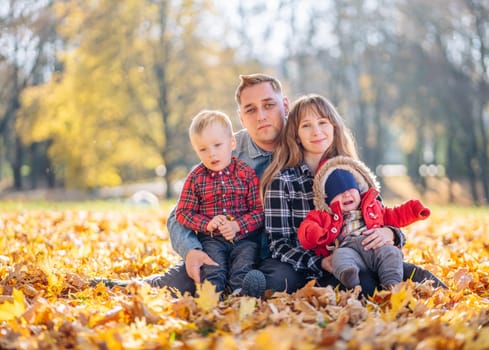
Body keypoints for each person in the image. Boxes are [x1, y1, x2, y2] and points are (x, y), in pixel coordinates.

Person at [91, 74, 445, 297]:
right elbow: (181, 213)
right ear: (240, 117)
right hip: (239, 250)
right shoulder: (227, 154)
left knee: (371, 269)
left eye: (269, 106)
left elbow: (375, 212)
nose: (261, 116)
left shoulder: (329, 155)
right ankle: (117, 288)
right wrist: (190, 250)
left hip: (303, 255)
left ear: (284, 107)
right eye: (250, 109)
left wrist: (394, 236)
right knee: (188, 282)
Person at [259, 93, 446, 296]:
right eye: (306, 126)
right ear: (296, 135)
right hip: (314, 264)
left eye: (323, 122)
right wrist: (320, 262)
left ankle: (445, 299)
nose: (317, 131)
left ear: (334, 127)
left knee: (411, 274)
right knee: (359, 283)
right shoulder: (283, 181)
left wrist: (391, 233)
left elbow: (379, 213)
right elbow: (278, 243)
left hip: (366, 254)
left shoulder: (352, 172)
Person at [298, 155, 431, 290]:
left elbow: (395, 215)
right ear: (327, 200)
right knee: (339, 257)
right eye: (338, 192)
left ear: (359, 190)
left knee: (392, 253)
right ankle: (350, 277)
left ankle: (392, 283)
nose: (347, 195)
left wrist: (414, 209)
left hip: (376, 248)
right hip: (349, 250)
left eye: (351, 189)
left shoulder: (372, 208)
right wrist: (314, 232)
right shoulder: (324, 215)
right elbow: (307, 228)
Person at [175, 110, 264, 294]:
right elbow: (183, 212)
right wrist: (206, 223)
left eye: (217, 145)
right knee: (213, 269)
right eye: (203, 149)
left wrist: (237, 226)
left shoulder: (245, 173)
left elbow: (259, 211)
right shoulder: (196, 178)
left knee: (244, 263)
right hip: (212, 239)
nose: (211, 154)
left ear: (232, 143)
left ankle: (240, 294)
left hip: (243, 238)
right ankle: (212, 299)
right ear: (195, 149)